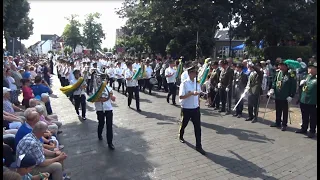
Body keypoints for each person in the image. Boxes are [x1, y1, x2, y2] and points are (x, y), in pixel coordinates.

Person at [178, 66, 206, 155]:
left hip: (195, 109)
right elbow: (181, 96)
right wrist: (190, 93)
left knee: (198, 128)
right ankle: (181, 135)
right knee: (184, 124)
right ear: (190, 73)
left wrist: (198, 103)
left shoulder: (197, 83)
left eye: (196, 72)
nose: (195, 74)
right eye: (194, 72)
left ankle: (199, 146)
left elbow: (198, 95)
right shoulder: (185, 84)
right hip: (186, 108)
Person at [268, 60, 297, 131]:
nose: (279, 67)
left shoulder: (291, 74)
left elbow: (293, 85)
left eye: (281, 65)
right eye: (279, 65)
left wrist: (291, 95)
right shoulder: (278, 73)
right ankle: (277, 122)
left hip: (286, 96)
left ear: (285, 66)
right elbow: (275, 82)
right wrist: (272, 89)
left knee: (285, 110)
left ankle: (284, 124)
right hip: (278, 94)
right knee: (278, 109)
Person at [295, 62, 317, 138]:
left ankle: (312, 131)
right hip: (304, 100)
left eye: (311, 68)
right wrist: (301, 85)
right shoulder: (307, 76)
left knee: (313, 117)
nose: (309, 69)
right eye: (309, 67)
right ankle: (304, 128)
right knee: (304, 115)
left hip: (313, 101)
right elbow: (303, 88)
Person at [94, 75, 116, 149]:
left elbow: (113, 99)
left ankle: (110, 142)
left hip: (108, 109)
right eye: (103, 79)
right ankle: (99, 134)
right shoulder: (96, 89)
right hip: (100, 109)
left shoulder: (109, 88)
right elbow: (93, 99)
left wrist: (111, 97)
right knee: (101, 123)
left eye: (106, 79)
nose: (104, 80)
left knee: (109, 126)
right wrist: (101, 99)